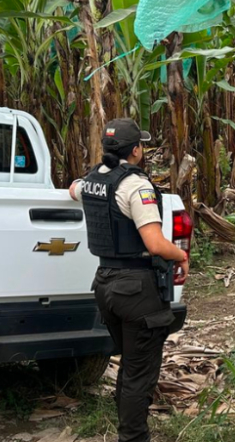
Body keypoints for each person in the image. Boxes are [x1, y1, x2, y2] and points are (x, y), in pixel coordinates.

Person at [69, 118, 189, 442]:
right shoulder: (135, 185)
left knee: (131, 362)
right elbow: (154, 243)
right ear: (136, 150)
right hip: (135, 289)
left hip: (104, 285)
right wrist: (181, 256)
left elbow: (73, 189)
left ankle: (125, 426)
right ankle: (133, 436)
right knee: (139, 373)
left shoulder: (92, 180)